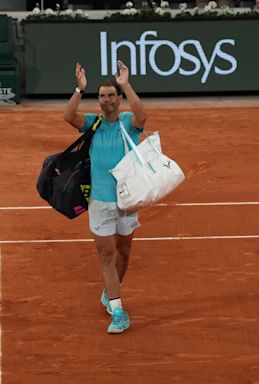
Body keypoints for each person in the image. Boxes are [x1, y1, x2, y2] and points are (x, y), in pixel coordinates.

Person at [64, 60, 147, 334]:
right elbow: (69, 116)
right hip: (99, 200)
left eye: (111, 95)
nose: (106, 100)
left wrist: (126, 84)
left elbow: (142, 115)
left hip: (127, 199)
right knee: (107, 254)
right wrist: (79, 88)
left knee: (124, 253)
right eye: (102, 96)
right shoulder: (92, 123)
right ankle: (119, 310)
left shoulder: (127, 123)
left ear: (118, 98)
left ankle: (108, 294)